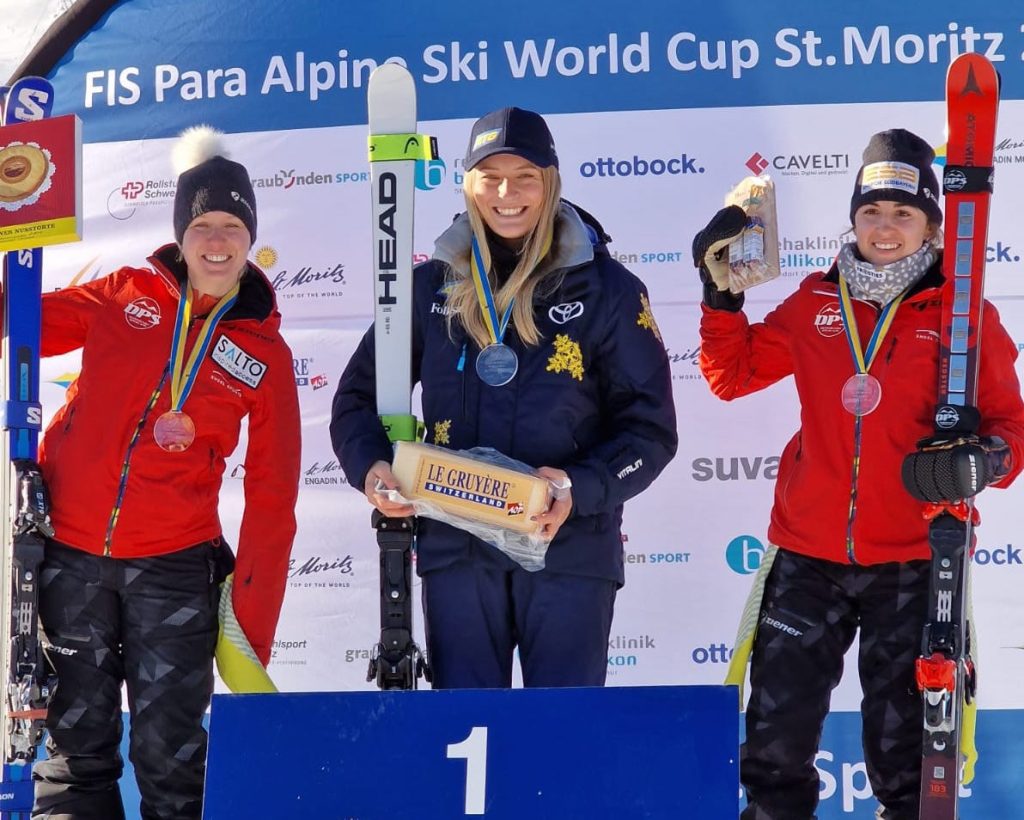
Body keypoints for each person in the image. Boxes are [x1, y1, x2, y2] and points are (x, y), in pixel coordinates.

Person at [693, 128, 1024, 820]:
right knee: (775, 746)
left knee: (904, 753)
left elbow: (1010, 430)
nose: (884, 227)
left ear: (932, 225)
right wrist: (720, 302)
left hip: (914, 556)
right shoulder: (816, 303)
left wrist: (981, 462)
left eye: (903, 214)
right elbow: (731, 376)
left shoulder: (961, 316)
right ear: (853, 218)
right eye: (871, 211)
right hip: (807, 554)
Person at [331, 106, 677, 689]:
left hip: (568, 549)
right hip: (457, 551)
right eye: (489, 176)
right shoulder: (430, 286)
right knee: (466, 733)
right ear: (467, 184)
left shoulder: (609, 289)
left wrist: (576, 488)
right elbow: (355, 399)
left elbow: (650, 432)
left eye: (525, 177)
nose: (506, 193)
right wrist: (374, 469)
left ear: (551, 183)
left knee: (559, 737)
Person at [31, 126, 301, 820]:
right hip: (71, 555)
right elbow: (25, 318)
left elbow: (274, 496)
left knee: (171, 756)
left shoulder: (264, 353)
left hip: (175, 571)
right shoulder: (125, 297)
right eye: (202, 224)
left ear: (251, 237)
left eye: (232, 226)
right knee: (74, 748)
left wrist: (249, 625)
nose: (217, 241)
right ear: (181, 231)